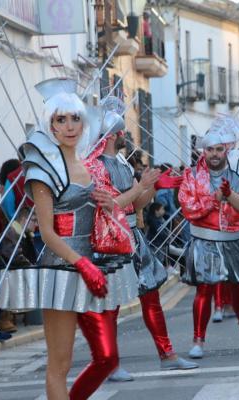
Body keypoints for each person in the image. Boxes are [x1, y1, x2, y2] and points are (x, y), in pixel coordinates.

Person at [0, 82, 138, 399]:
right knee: (59, 364)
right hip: (61, 270)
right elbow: (47, 233)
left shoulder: (90, 165)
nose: (70, 126)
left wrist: (105, 203)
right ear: (50, 124)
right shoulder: (41, 170)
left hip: (94, 266)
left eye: (75, 118)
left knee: (107, 358)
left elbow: (112, 209)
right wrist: (83, 265)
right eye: (61, 120)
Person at [89, 110, 197, 379]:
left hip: (134, 237)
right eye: (122, 131)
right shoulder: (94, 165)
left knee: (151, 296)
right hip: (111, 240)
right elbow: (110, 206)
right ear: (115, 135)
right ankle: (109, 363)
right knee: (111, 303)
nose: (125, 135)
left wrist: (154, 186)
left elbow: (137, 203)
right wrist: (142, 187)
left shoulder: (123, 163)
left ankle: (167, 354)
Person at [178, 118, 239, 359]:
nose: (214, 154)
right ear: (202, 150)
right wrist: (215, 199)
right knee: (204, 290)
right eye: (209, 149)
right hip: (204, 240)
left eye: (219, 149)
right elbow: (189, 208)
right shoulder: (192, 175)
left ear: (226, 149)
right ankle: (198, 340)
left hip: (235, 239)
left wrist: (230, 195)